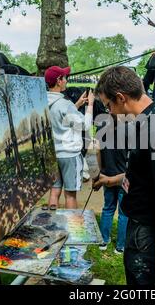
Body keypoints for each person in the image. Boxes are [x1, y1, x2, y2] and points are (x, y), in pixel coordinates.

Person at [92, 66, 155, 285]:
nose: (110, 113)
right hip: (142, 225)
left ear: (121, 98)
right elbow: (144, 175)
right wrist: (112, 180)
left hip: (150, 230)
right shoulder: (145, 121)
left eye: (108, 106)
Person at [46, 65, 95, 209]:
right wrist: (90, 105)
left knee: (54, 192)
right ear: (59, 80)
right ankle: (70, 230)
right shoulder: (65, 105)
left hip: (53, 154)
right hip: (69, 155)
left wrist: (77, 104)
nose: (66, 80)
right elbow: (84, 126)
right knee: (70, 195)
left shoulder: (44, 102)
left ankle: (52, 226)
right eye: (65, 78)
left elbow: (61, 118)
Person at [95, 114, 129, 254]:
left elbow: (97, 151)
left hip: (106, 174)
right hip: (123, 176)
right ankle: (120, 247)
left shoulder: (101, 126)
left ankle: (104, 240)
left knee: (108, 208)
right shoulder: (129, 129)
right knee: (124, 212)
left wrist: (98, 171)